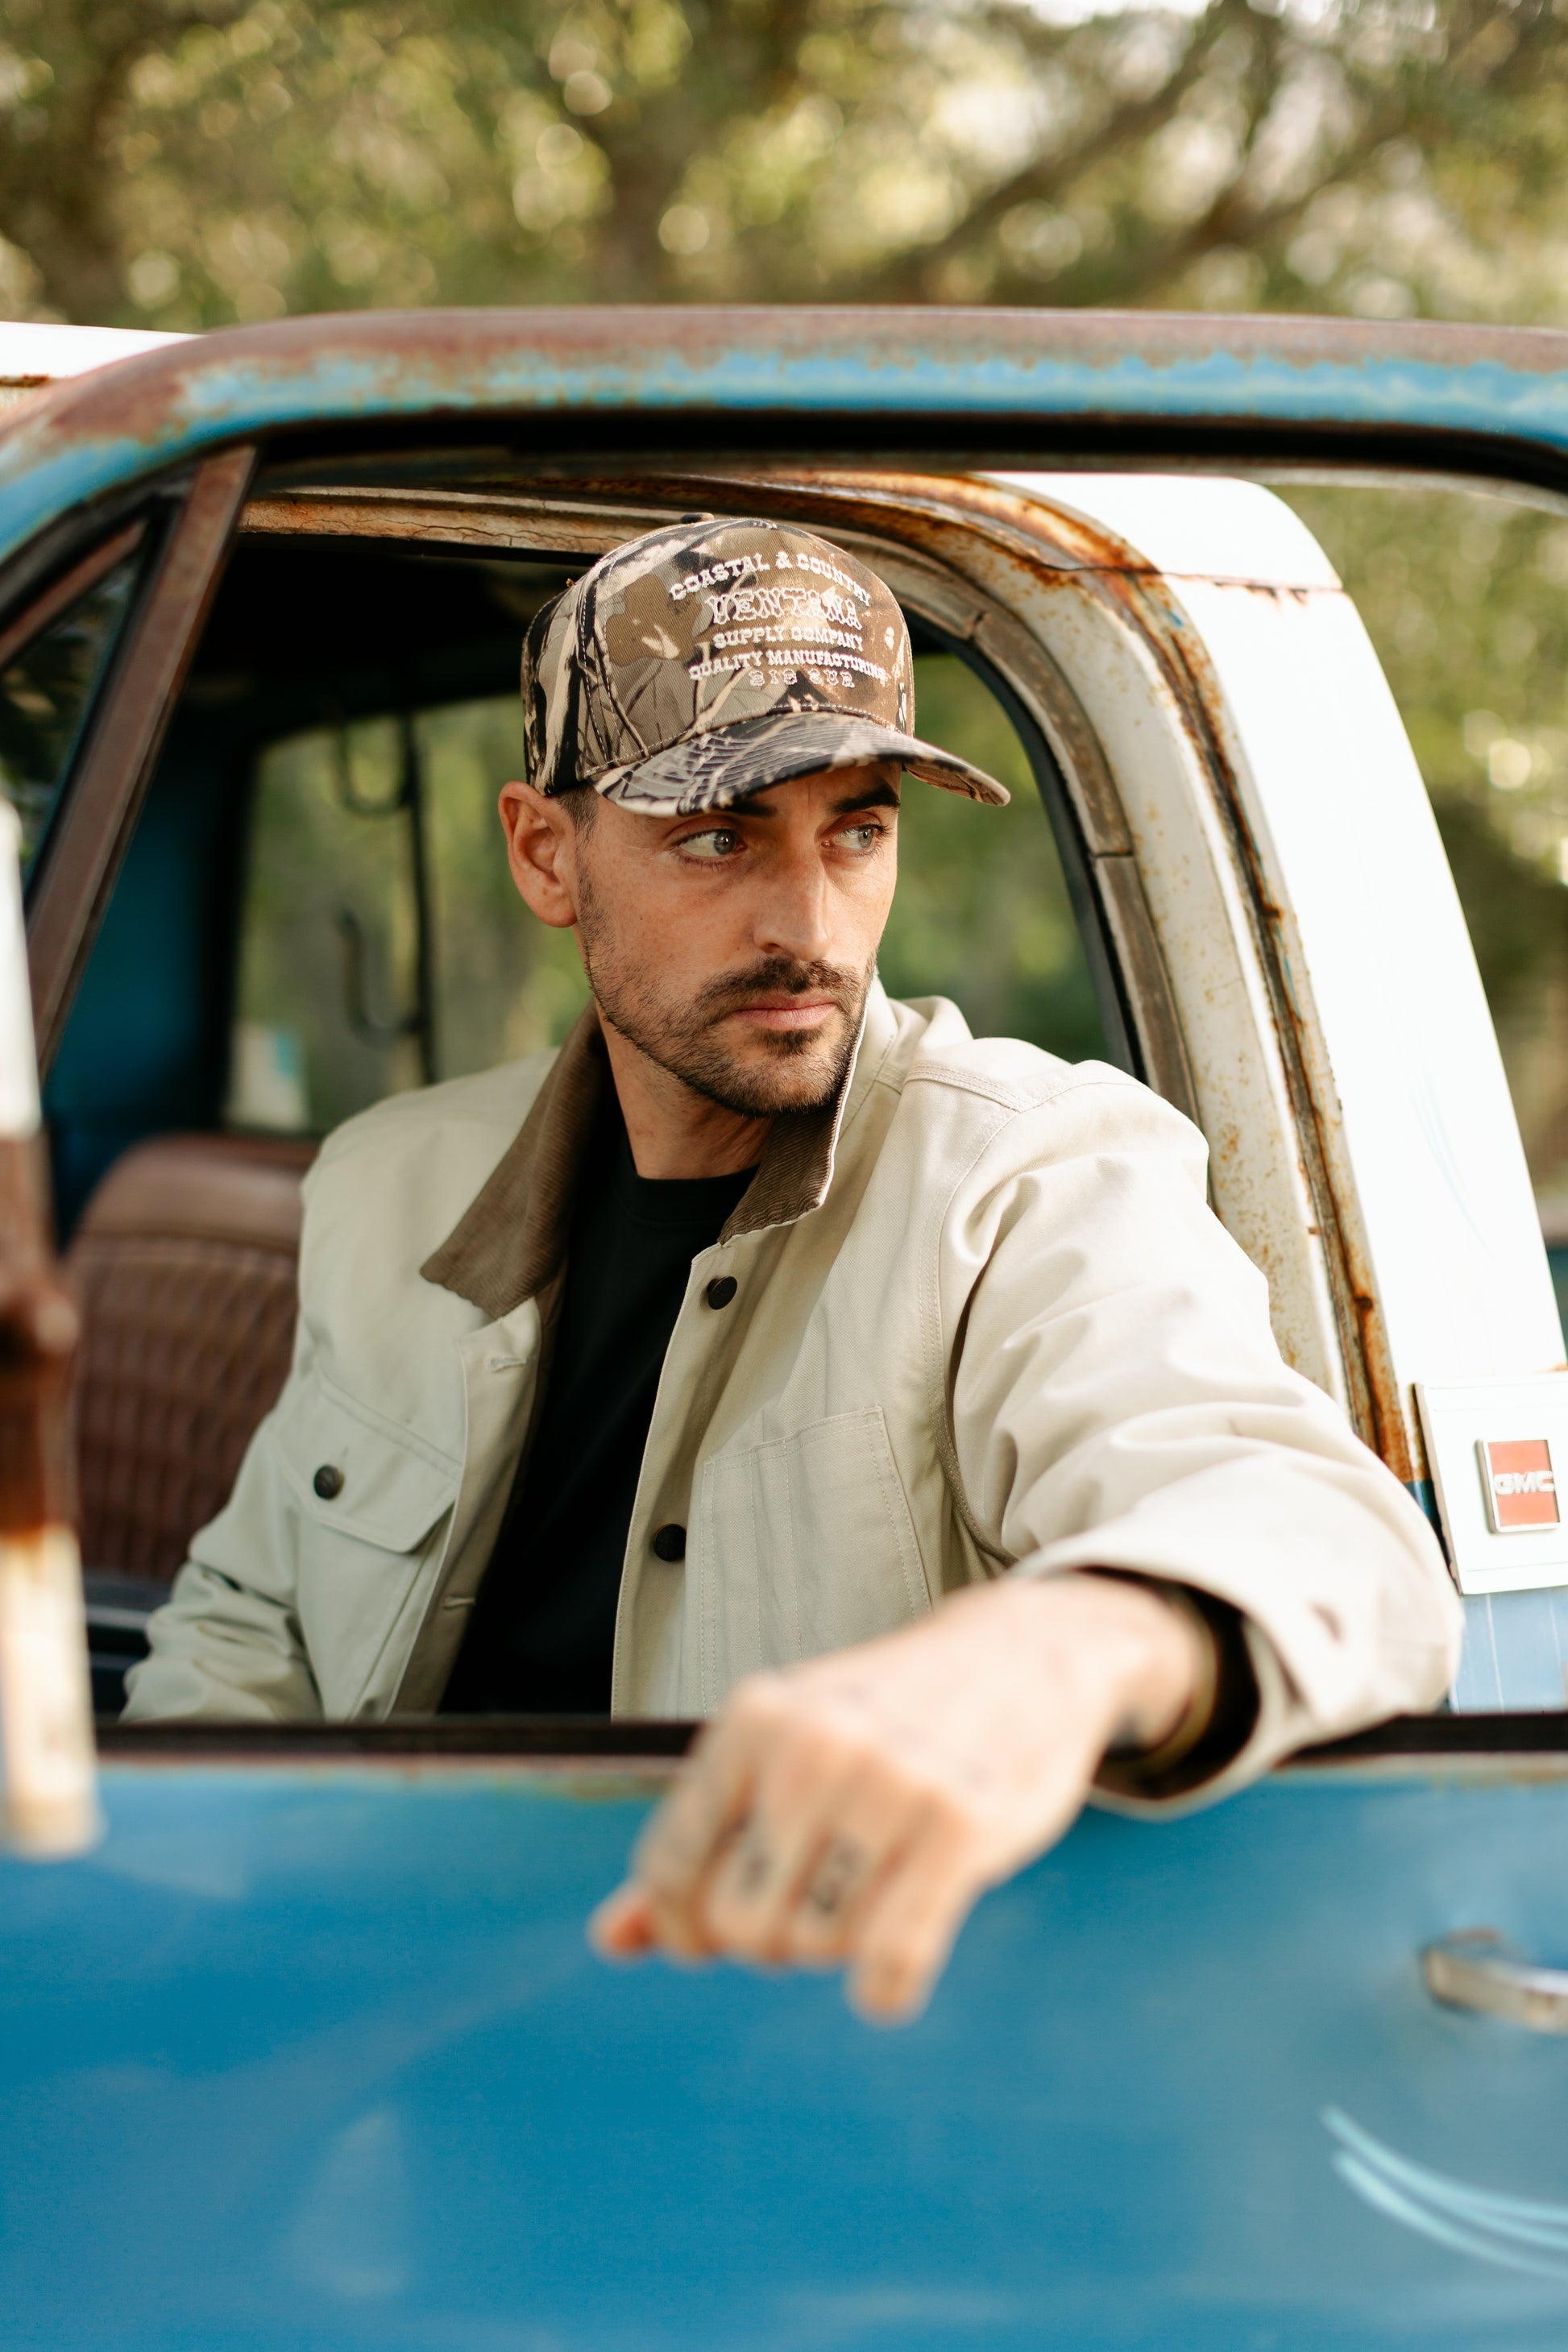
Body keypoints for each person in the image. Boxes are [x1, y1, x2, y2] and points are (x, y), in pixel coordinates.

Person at [124, 516, 1461, 2021]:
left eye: (859, 829)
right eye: (718, 835)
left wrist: (1056, 1649)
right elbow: (246, 1623)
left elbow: (1315, 1533)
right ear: (544, 853)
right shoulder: (390, 1182)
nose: (810, 925)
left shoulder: (1032, 1175)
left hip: (813, 2070)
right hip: (366, 2032)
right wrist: (175, 1949)